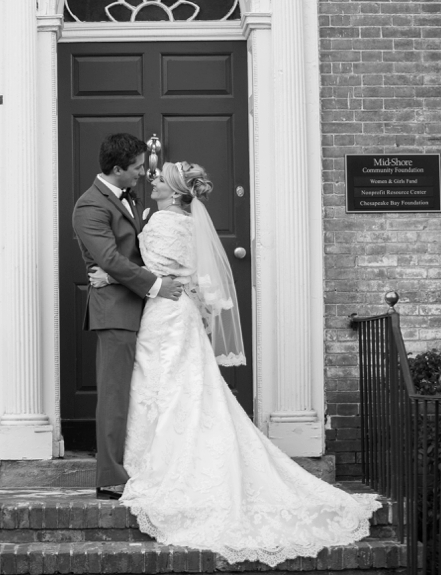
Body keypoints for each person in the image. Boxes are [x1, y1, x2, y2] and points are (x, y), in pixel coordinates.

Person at [90, 161, 381, 566]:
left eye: (159, 177)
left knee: (165, 385)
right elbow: (179, 275)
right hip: (181, 313)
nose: (151, 178)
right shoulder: (188, 223)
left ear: (174, 192)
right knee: (187, 388)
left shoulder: (159, 224)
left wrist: (108, 277)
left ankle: (156, 462)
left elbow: (150, 272)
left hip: (163, 314)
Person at [71, 133, 184, 500]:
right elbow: (109, 259)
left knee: (144, 394)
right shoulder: (90, 207)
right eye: (137, 167)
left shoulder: (129, 197)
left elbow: (133, 252)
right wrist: (156, 285)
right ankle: (110, 476)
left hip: (147, 311)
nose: (143, 172)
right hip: (116, 311)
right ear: (117, 169)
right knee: (115, 394)